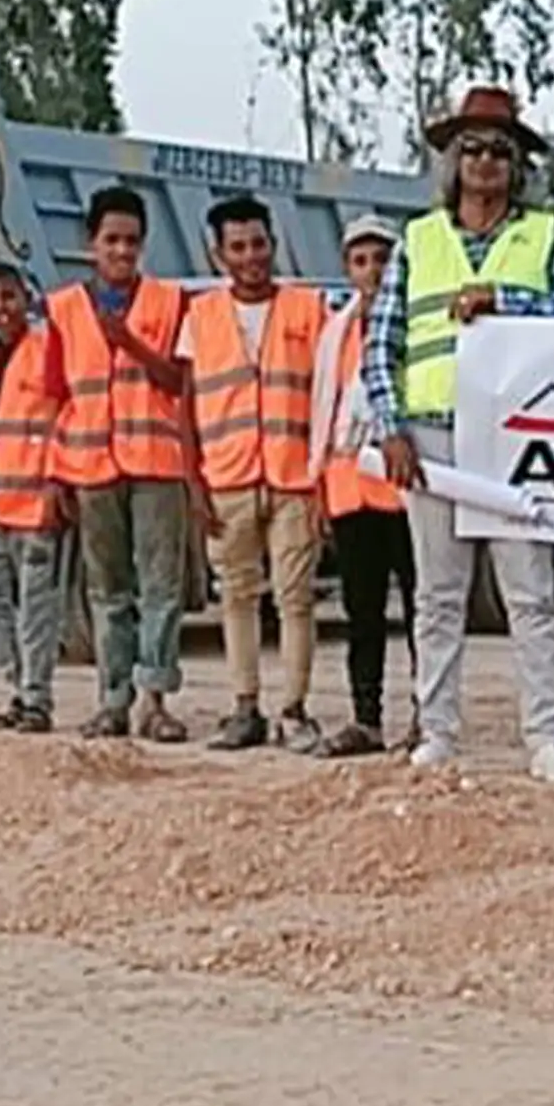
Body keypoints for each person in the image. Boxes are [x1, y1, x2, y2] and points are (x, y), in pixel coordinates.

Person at [367, 83, 554, 783]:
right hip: (432, 434)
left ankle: (545, 738)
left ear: (517, 165)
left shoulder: (550, 235)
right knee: (437, 596)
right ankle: (437, 730)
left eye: (500, 150)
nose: (486, 161)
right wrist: (391, 428)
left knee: (530, 594)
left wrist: (506, 299)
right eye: (472, 149)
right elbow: (383, 343)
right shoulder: (418, 241)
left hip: (518, 436)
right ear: (452, 160)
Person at [48, 187, 199, 743]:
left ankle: (154, 700)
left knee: (160, 587)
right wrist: (55, 473)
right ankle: (113, 700)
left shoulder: (170, 301)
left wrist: (130, 343)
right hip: (91, 465)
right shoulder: (64, 309)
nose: (121, 251)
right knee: (107, 589)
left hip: (156, 464)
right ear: (90, 242)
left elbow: (180, 381)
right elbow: (54, 396)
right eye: (111, 239)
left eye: (131, 241)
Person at [181, 194, 330, 751]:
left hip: (294, 478)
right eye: (238, 247)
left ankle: (293, 710)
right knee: (236, 596)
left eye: (259, 244)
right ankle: (245, 708)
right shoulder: (200, 316)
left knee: (296, 598)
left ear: (274, 244)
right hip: (228, 479)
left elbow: (328, 395)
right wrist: (194, 483)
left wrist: (323, 480)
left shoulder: (308, 310)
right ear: (218, 255)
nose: (251, 257)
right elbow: (185, 403)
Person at [0, 263, 71, 732]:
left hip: (38, 504)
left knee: (37, 607)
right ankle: (19, 682)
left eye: (8, 297)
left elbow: (66, 417)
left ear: (25, 297)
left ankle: (36, 699)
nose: (1, 308)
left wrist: (58, 480)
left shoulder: (48, 350)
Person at [314, 214, 413, 759]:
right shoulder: (335, 332)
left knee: (423, 610)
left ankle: (428, 715)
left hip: (403, 485)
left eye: (381, 259)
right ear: (347, 268)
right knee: (363, 613)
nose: (371, 270)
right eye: (360, 260)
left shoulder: (413, 325)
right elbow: (324, 409)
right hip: (349, 486)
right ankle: (366, 718)